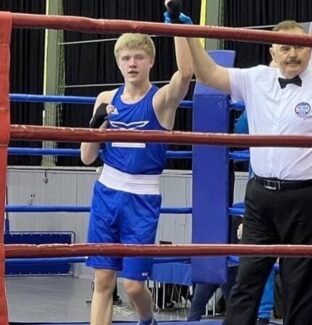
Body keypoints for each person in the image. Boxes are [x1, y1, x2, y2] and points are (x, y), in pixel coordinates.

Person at [178, 11, 312, 325]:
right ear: (273, 52)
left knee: (301, 286)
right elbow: (209, 74)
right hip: (260, 197)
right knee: (247, 281)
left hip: (308, 199)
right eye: (284, 47)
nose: (292, 53)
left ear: (310, 49)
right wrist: (189, 35)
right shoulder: (256, 78)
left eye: (299, 46)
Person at [79, 4, 194, 324]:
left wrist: (178, 28)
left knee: (132, 286)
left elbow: (185, 75)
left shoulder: (159, 101)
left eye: (138, 57)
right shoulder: (105, 98)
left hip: (142, 198)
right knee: (102, 282)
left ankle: (147, 321)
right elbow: (87, 157)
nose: (132, 63)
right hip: (106, 193)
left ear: (150, 62)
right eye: (126, 57)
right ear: (118, 62)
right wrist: (97, 124)